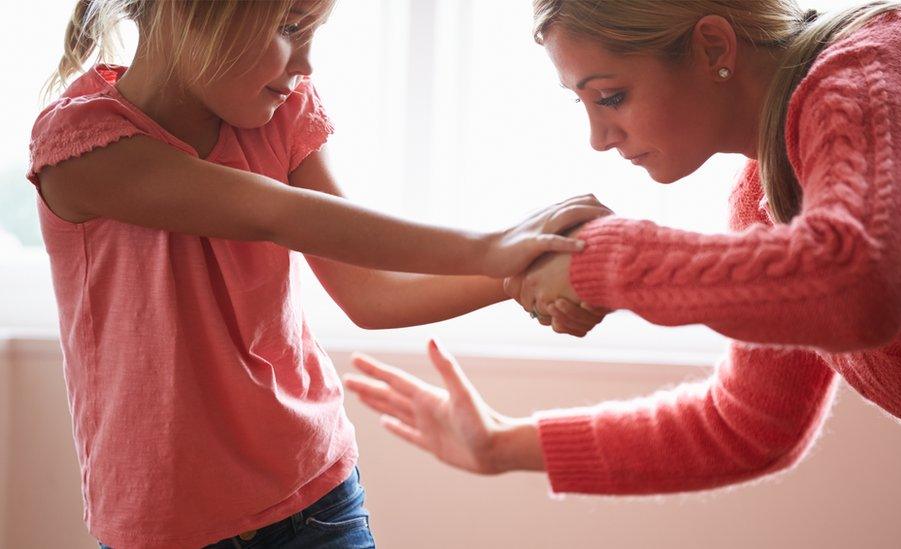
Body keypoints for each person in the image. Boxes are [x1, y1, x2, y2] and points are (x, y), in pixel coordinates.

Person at [344, 1, 901, 546]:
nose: (597, 136)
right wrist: (499, 445)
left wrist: (602, 260)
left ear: (711, 45)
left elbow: (858, 285)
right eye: (584, 103)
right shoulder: (767, 193)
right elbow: (748, 424)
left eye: (610, 95)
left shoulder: (887, 65)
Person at [26, 0, 610, 547]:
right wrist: (503, 247)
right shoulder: (83, 146)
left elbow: (373, 293)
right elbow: (274, 214)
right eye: (290, 26)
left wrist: (523, 272)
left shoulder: (283, 111)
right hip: (163, 526)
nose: (306, 62)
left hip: (317, 501)